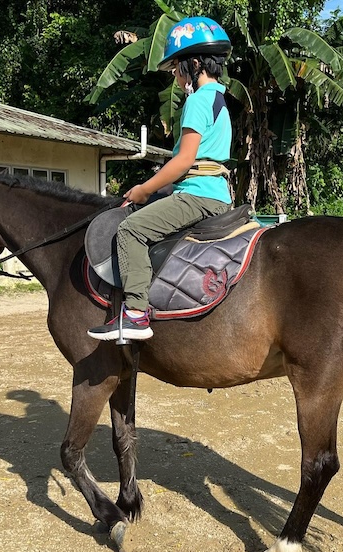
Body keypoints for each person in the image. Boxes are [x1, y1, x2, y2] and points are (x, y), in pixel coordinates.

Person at [88, 16, 233, 341]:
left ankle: (136, 314)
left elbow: (183, 161)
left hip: (197, 197)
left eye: (177, 69)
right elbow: (201, 163)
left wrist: (143, 189)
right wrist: (159, 189)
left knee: (130, 230)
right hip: (218, 194)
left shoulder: (196, 101)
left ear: (194, 63)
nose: (176, 77)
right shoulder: (221, 102)